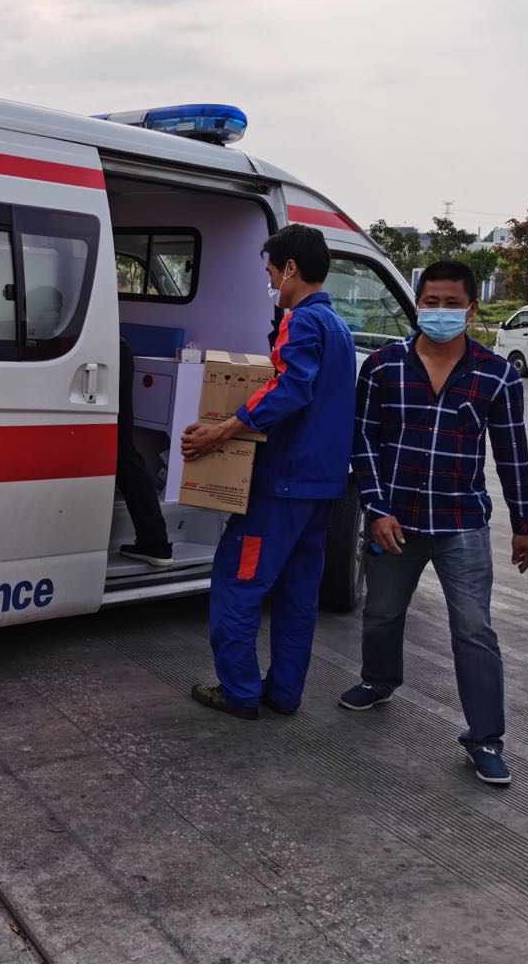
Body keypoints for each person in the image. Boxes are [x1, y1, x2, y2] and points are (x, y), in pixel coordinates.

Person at [340, 259, 528, 786]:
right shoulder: (382, 367)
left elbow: (512, 454)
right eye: (431, 302)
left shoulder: (497, 375)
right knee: (382, 613)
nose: (440, 312)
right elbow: (363, 443)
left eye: (452, 304)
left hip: (461, 523)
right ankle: (379, 680)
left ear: (472, 309)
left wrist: (523, 523)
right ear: (418, 304)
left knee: (474, 629)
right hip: (395, 521)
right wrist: (377, 509)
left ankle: (485, 738)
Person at [181, 225, 356, 719]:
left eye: (272, 272)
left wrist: (223, 431)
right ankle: (283, 692)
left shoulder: (301, 322)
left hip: (283, 484)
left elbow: (290, 389)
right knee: (298, 596)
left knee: (238, 583)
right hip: (321, 488)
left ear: (291, 269)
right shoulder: (339, 327)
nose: (272, 282)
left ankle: (238, 691)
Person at [115, 336, 174, 567]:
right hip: (111, 353)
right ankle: (155, 541)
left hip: (102, 355)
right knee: (122, 452)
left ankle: (155, 541)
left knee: (121, 453)